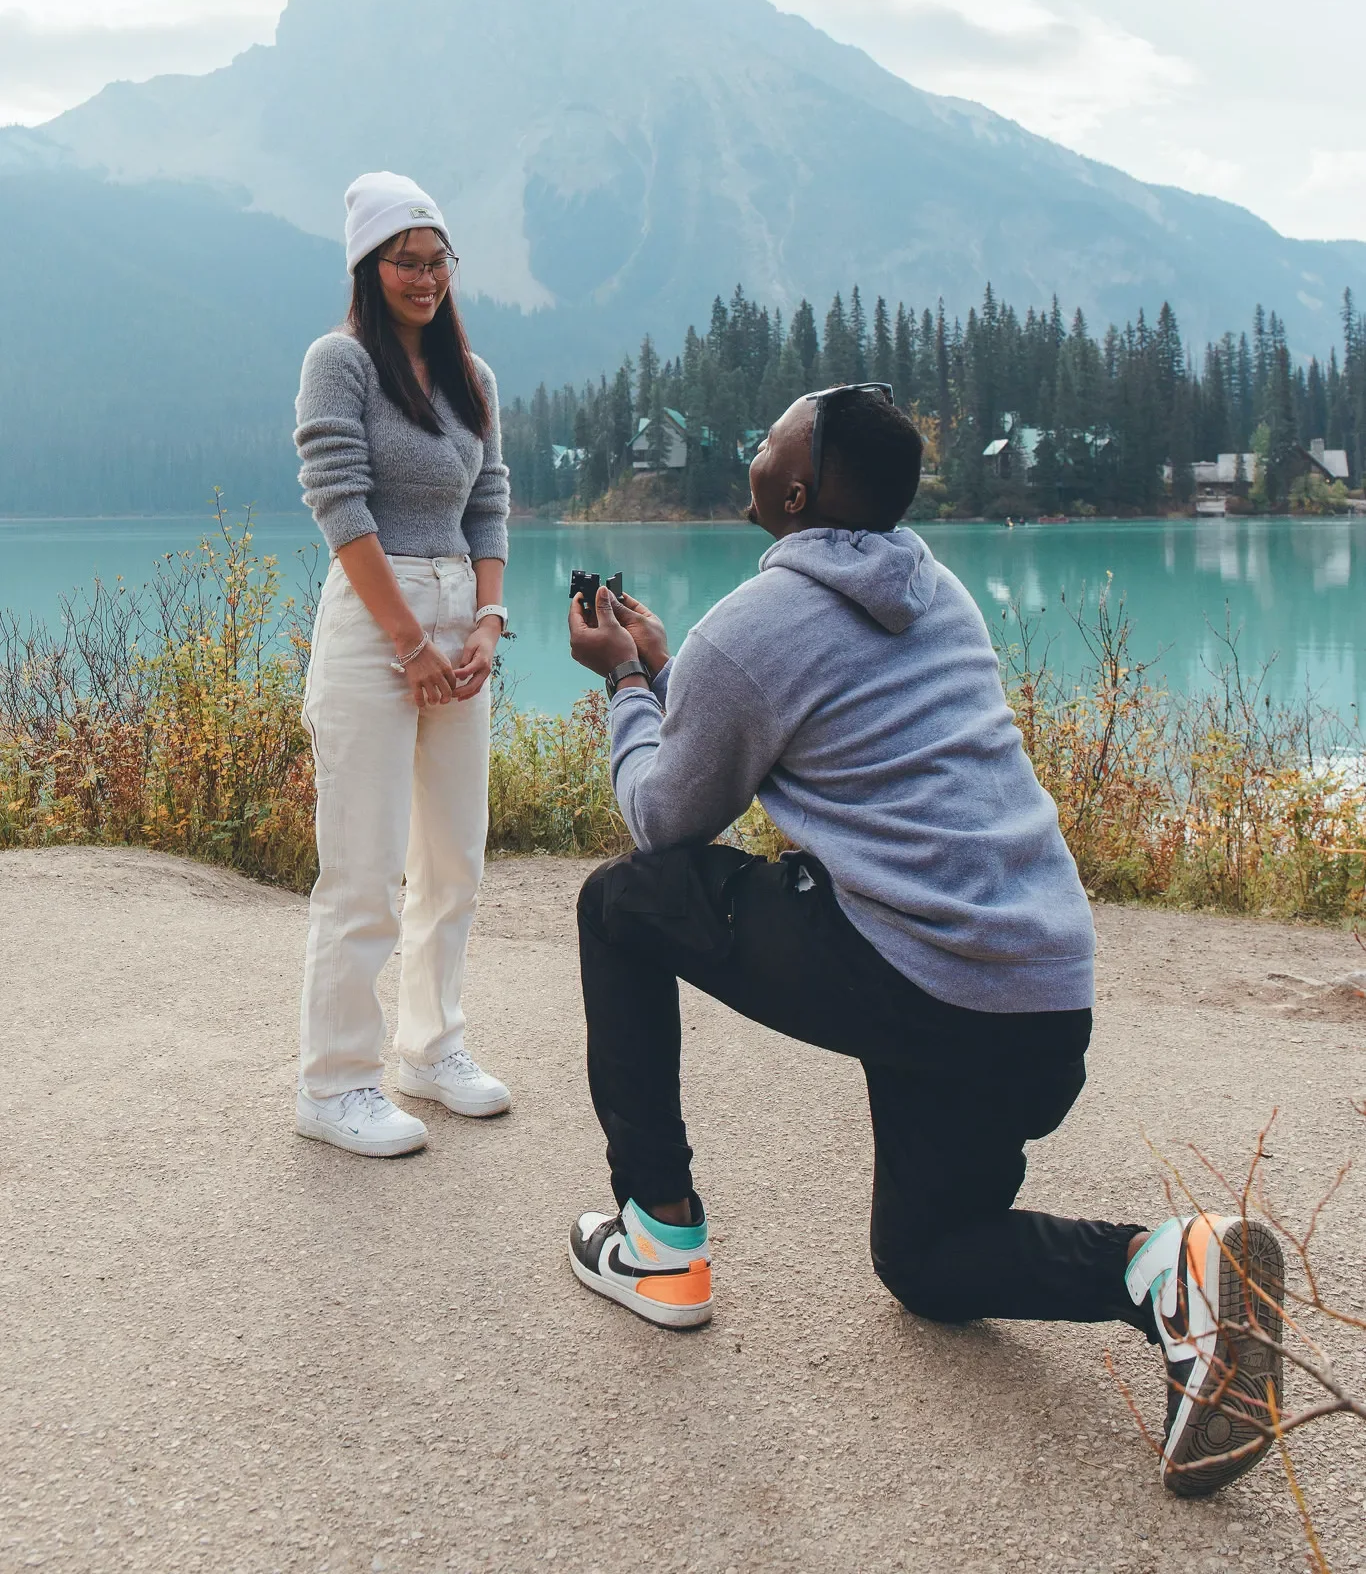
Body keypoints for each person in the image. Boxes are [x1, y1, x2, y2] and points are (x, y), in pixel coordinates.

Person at [565, 382, 1284, 1499]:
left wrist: (626, 681)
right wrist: (670, 679)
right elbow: (789, 715)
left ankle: (657, 1241)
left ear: (794, 493)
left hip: (920, 976)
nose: (755, 447)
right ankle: (1168, 1266)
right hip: (1037, 1002)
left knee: (621, 903)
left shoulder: (751, 627)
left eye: (769, 439)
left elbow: (665, 819)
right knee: (928, 1259)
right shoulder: (934, 589)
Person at [291, 171, 512, 1158]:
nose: (425, 278)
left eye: (437, 260)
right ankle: (335, 1082)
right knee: (365, 869)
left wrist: (487, 621)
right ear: (367, 267)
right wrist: (409, 642)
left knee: (454, 859)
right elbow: (338, 502)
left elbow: (489, 501)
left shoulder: (472, 376)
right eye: (405, 261)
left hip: (460, 616)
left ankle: (430, 1047)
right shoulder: (338, 362)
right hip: (376, 622)